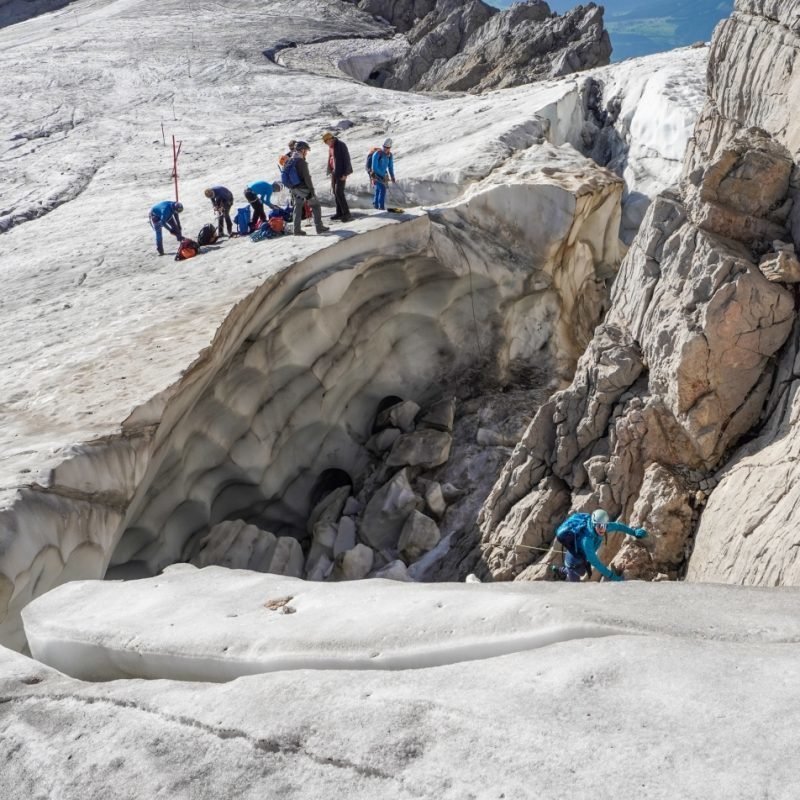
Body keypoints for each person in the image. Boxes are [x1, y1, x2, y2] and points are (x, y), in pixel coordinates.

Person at [550, 509, 647, 582]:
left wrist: (634, 532)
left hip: (582, 559)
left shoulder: (602, 527)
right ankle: (561, 570)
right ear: (593, 524)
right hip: (573, 562)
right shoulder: (587, 541)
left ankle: (559, 569)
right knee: (575, 582)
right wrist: (612, 576)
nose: (602, 529)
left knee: (582, 572)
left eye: (604, 525)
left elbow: (618, 526)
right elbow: (596, 563)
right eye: (599, 526)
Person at [288, 141, 329, 236]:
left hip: (294, 188)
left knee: (297, 207)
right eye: (306, 150)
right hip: (303, 188)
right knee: (315, 205)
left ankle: (296, 230)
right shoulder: (301, 162)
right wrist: (311, 190)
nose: (306, 152)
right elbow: (307, 178)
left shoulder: (291, 159)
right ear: (302, 150)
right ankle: (319, 228)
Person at [322, 131, 353, 222]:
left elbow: (347, 159)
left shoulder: (341, 145)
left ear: (330, 139)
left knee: (339, 192)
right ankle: (339, 213)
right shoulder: (331, 147)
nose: (326, 144)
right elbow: (332, 159)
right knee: (335, 193)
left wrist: (346, 173)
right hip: (334, 173)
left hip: (341, 173)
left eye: (326, 141)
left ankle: (346, 213)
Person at [370, 138, 395, 210]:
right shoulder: (377, 154)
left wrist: (392, 176)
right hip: (376, 175)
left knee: (378, 190)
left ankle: (376, 205)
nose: (386, 149)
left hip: (383, 175)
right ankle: (381, 207)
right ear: (383, 146)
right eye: (385, 147)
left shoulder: (389, 155)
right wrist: (382, 175)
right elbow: (374, 167)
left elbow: (390, 166)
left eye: (388, 148)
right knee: (382, 189)